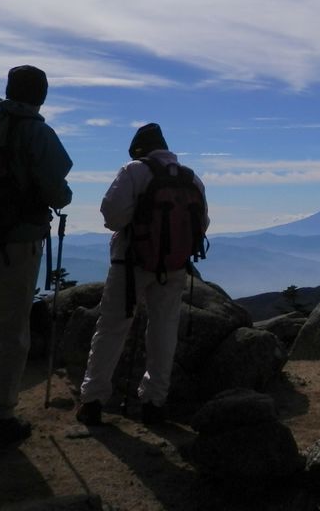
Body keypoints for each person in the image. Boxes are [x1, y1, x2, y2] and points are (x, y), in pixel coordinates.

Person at [0, 65, 73, 451]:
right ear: (42, 95)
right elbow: (59, 193)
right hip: (16, 245)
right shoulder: (38, 133)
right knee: (11, 329)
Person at [76, 123, 209, 427]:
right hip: (174, 267)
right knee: (164, 331)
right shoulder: (191, 178)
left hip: (130, 263)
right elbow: (202, 223)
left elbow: (112, 215)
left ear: (139, 150)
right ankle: (153, 403)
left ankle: (93, 400)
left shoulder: (134, 171)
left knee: (112, 328)